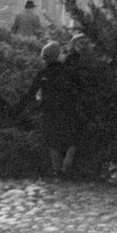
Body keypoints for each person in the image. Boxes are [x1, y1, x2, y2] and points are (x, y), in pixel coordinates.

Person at [16, 41, 79, 177]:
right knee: (72, 140)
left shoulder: (42, 73)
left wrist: (18, 109)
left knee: (52, 143)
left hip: (48, 111)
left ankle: (58, 172)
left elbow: (30, 93)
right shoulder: (68, 71)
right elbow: (78, 90)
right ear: (58, 55)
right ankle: (67, 165)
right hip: (67, 110)